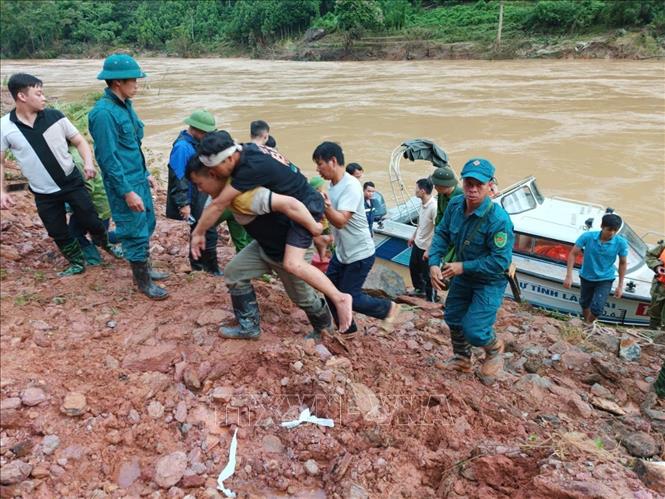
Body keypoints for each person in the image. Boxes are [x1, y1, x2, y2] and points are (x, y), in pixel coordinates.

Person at [190, 131, 353, 332]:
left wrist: (315, 228)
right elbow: (215, 207)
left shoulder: (246, 189)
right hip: (267, 245)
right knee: (234, 272)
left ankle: (330, 321)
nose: (201, 187)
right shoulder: (244, 154)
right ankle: (248, 327)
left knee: (301, 289)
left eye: (210, 174)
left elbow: (290, 204)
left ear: (229, 159)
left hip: (300, 218)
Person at [0, 73, 121, 276]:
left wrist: (89, 163)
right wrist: (2, 191)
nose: (44, 98)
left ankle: (106, 245)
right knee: (56, 230)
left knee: (91, 219)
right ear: (22, 96)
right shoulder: (5, 127)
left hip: (72, 182)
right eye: (38, 94)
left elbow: (79, 141)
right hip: (43, 192)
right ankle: (76, 262)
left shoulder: (55, 116)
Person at [88, 54, 169, 300]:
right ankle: (142, 281)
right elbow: (108, 159)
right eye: (133, 80)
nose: (137, 84)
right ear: (117, 83)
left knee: (148, 222)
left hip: (137, 178)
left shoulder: (126, 105)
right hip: (123, 183)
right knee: (133, 230)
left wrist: (145, 174)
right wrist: (127, 191)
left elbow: (132, 144)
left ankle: (146, 268)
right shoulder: (103, 114)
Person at [429, 158, 513, 380]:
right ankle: (462, 359)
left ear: (489, 186)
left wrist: (462, 267)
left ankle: (494, 349)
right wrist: (434, 262)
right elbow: (443, 233)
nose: (473, 189)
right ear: (462, 183)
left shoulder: (498, 220)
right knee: (453, 317)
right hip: (463, 275)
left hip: (489, 280)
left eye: (479, 184)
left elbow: (500, 262)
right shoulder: (456, 205)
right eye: (468, 183)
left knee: (475, 330)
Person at [314, 141, 400, 338]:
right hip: (342, 253)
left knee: (351, 297)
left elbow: (341, 221)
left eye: (320, 164)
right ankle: (348, 329)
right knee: (330, 290)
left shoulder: (351, 186)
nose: (318, 169)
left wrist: (325, 207)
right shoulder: (332, 186)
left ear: (333, 161)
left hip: (360, 253)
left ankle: (388, 309)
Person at [166, 109, 250, 275]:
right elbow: (177, 177)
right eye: (205, 132)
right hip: (192, 198)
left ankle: (204, 267)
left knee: (205, 230)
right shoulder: (182, 147)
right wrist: (183, 203)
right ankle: (205, 268)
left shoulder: (195, 144)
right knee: (206, 230)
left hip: (201, 195)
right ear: (195, 129)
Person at [563, 213, 628, 323]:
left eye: (615, 230)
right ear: (602, 226)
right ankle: (586, 322)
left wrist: (620, 285)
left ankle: (588, 324)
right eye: (609, 229)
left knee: (597, 308)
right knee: (584, 303)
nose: (612, 233)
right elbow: (573, 254)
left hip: (605, 278)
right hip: (586, 276)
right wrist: (569, 276)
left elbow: (622, 263)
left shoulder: (621, 243)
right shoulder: (587, 237)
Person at [408, 178, 437, 302]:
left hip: (427, 247)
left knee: (428, 275)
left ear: (423, 191)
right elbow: (421, 223)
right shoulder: (422, 203)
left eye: (416, 189)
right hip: (418, 243)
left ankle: (432, 298)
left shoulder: (433, 207)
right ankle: (420, 290)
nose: (415, 191)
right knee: (413, 267)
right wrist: (413, 236)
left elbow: (438, 231)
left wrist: (429, 250)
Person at [309, 176, 333, 263]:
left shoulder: (313, 196)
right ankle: (323, 258)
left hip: (321, 224)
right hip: (321, 224)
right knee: (325, 242)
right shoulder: (319, 196)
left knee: (327, 241)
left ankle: (323, 257)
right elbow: (322, 213)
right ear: (318, 187)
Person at [645, 239, 665, 330]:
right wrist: (657, 266)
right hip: (660, 286)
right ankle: (652, 333)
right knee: (654, 313)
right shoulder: (663, 245)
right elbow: (650, 255)